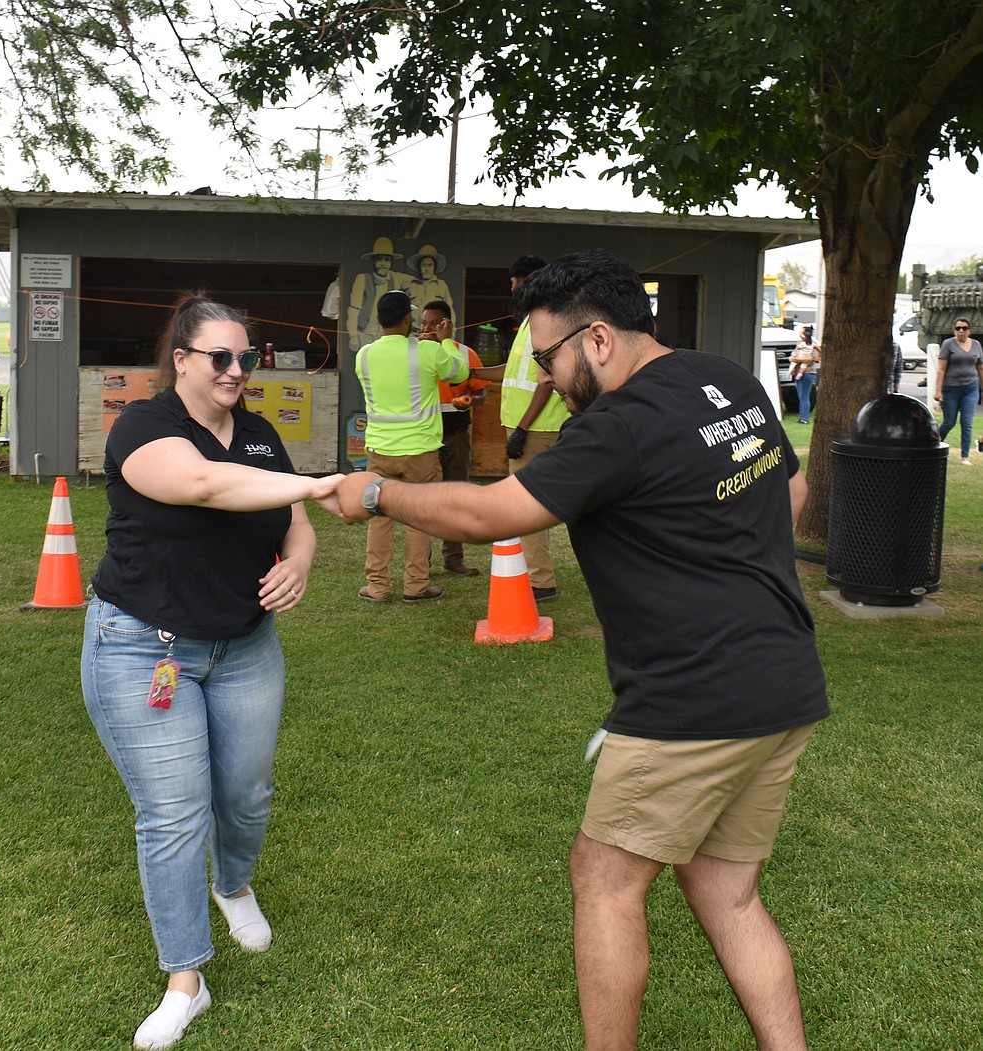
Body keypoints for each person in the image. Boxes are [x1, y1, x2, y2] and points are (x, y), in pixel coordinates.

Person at [331, 250, 828, 1051]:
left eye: (546, 356)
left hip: (692, 699)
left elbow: (491, 514)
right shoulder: (726, 379)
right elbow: (792, 491)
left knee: (604, 880)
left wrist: (378, 491)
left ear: (597, 340)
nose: (545, 376)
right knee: (726, 891)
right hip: (785, 685)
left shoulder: (616, 428)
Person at [81, 293, 342, 1051]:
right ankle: (185, 981)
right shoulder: (144, 426)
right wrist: (322, 483)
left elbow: (290, 521)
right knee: (174, 811)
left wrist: (297, 558)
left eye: (246, 357)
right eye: (220, 357)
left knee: (247, 792)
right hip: (144, 647)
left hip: (244, 646)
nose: (236, 370)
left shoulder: (260, 434)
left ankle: (233, 883)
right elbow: (203, 485)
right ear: (183, 360)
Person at [354, 289, 468, 602]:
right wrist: (445, 340)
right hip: (420, 452)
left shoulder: (363, 355)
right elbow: (460, 372)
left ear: (378, 319)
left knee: (380, 518)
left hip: (379, 451)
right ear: (409, 319)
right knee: (419, 520)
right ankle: (415, 586)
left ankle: (377, 587)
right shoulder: (426, 351)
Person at [471, 255, 570, 603]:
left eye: (516, 283)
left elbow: (545, 382)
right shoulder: (529, 323)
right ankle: (540, 576)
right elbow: (513, 372)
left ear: (531, 282)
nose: (512, 289)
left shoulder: (543, 323)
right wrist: (475, 374)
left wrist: (523, 430)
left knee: (527, 505)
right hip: (530, 426)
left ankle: (540, 581)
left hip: (536, 429)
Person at [421, 298, 489, 575]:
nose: (428, 328)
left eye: (434, 323)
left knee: (456, 498)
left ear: (448, 325)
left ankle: (453, 559)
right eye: (423, 323)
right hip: (423, 437)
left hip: (456, 435)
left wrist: (470, 399)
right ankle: (419, 563)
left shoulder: (465, 354)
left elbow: (481, 390)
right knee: (423, 502)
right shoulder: (414, 352)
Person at [346, 237, 409, 352]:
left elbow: (415, 282)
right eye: (379, 259)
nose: (383, 264)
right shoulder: (363, 279)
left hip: (386, 333)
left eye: (387, 260)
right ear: (373, 261)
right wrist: (353, 336)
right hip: (365, 332)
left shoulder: (395, 278)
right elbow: (353, 310)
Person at [934, 316, 983, 466]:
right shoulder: (948, 344)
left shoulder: (976, 345)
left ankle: (965, 457)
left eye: (964, 328)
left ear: (970, 331)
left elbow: (980, 368)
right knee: (949, 422)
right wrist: (938, 390)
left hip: (970, 388)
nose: (961, 331)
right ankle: (933, 445)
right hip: (951, 389)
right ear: (954, 330)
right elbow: (941, 369)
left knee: (967, 422)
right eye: (958, 328)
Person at [405, 244, 454, 315]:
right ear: (419, 267)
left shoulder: (442, 285)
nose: (426, 268)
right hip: (414, 326)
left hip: (435, 325)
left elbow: (450, 310)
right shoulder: (410, 285)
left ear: (435, 267)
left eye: (430, 265)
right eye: (423, 265)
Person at [790, 326, 821, 424]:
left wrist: (798, 359)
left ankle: (804, 418)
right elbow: (793, 357)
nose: (799, 333)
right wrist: (796, 360)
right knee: (801, 396)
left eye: (801, 332)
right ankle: (802, 416)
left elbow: (813, 358)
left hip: (808, 373)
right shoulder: (799, 344)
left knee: (804, 396)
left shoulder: (814, 345)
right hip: (798, 371)